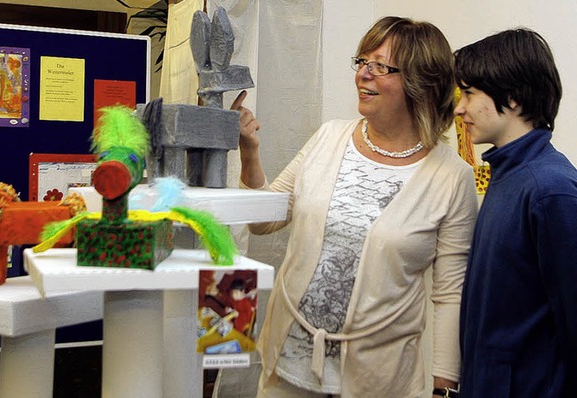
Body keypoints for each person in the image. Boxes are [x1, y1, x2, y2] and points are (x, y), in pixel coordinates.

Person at [231, 16, 478, 398]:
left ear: (421, 83)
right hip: (286, 368)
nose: (363, 74)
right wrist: (250, 152)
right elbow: (264, 220)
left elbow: (450, 294)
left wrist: (445, 386)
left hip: (379, 381)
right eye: (361, 62)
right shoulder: (329, 136)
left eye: (380, 66)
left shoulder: (451, 176)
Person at [454, 29, 577, 398]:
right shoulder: (507, 177)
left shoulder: (549, 189)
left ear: (512, 96)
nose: (459, 109)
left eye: (470, 93)